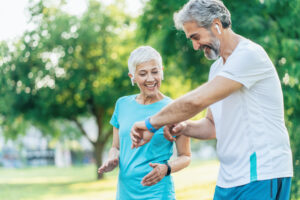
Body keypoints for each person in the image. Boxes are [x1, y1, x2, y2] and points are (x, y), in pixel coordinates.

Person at [130, 0, 293, 199]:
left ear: (216, 25)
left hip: (261, 173)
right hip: (229, 178)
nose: (195, 46)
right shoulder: (217, 69)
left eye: (196, 37)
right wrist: (185, 127)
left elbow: (195, 101)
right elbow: (212, 125)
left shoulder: (249, 55)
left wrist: (150, 123)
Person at [98, 46, 191, 199]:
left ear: (162, 71)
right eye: (142, 73)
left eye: (155, 72)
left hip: (158, 193)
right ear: (132, 77)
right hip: (125, 193)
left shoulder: (174, 108)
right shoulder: (122, 105)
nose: (150, 79)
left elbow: (185, 156)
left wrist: (166, 168)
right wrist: (112, 158)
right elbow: (116, 146)